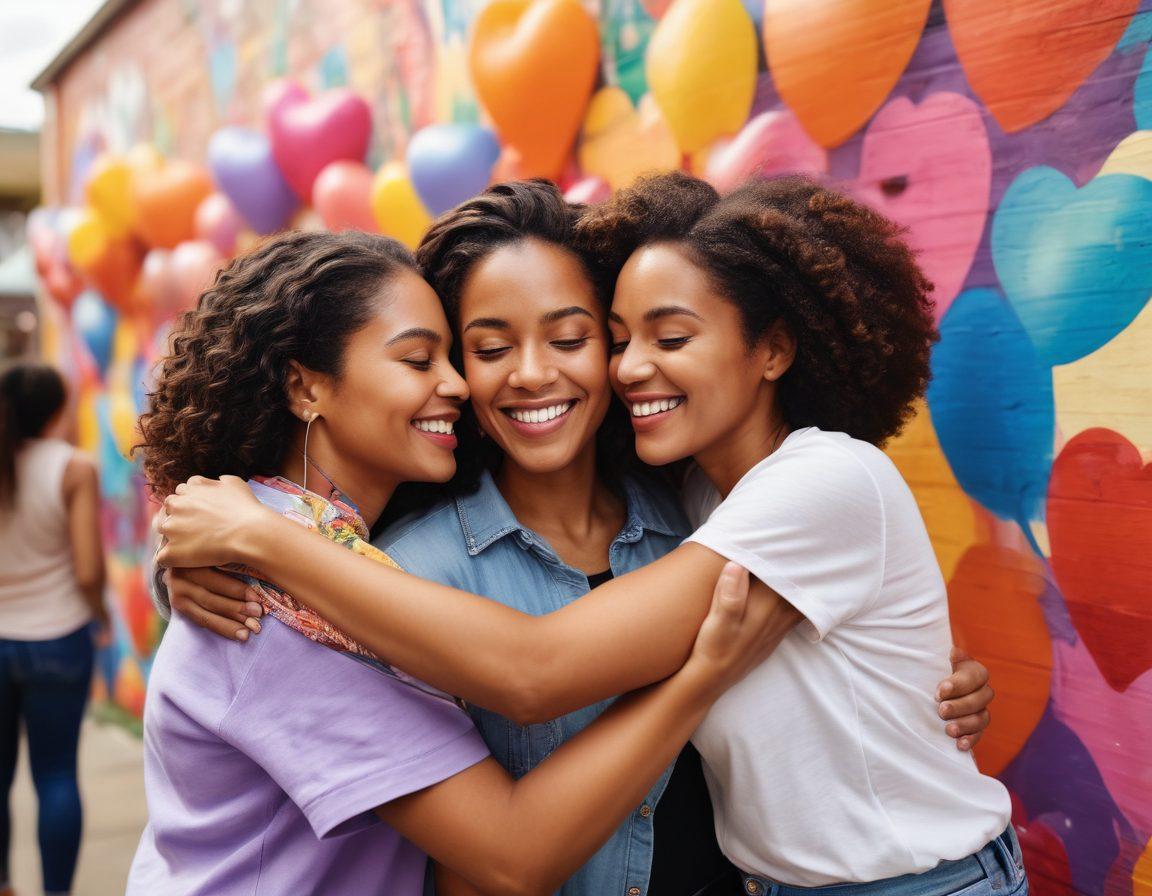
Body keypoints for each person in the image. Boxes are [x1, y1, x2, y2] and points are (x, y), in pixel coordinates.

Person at [157, 174, 1023, 896]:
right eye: (478, 350)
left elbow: (544, 669)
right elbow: (496, 836)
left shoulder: (714, 503)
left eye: (579, 338)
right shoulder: (378, 571)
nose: (529, 374)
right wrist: (220, 547)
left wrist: (917, 683)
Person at [128, 228, 791, 896]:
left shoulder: (315, 550)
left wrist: (227, 542)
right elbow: (511, 850)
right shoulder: (279, 601)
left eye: (453, 356)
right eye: (422, 360)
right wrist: (705, 672)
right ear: (304, 389)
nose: (456, 383)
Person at [0, 362, 108, 896]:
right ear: (56, 409)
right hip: (59, 638)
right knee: (58, 775)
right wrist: (104, 617)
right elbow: (88, 570)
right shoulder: (72, 467)